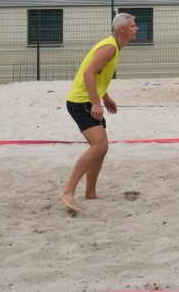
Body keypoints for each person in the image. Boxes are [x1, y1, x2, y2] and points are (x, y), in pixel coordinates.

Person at [59, 12, 139, 214]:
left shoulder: (114, 47)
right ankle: (68, 191)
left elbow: (97, 75)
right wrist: (96, 102)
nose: (136, 28)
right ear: (123, 29)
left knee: (102, 148)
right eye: (132, 26)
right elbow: (88, 73)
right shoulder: (110, 47)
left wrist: (105, 98)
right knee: (99, 145)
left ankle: (90, 193)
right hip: (81, 102)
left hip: (88, 101)